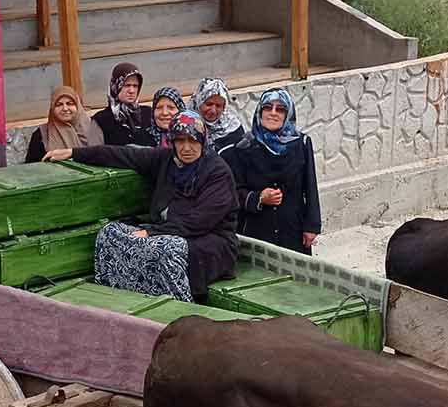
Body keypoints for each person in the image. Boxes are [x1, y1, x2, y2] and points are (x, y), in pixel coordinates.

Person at [45, 113, 238, 302]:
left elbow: (201, 221)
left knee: (167, 249)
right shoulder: (166, 160)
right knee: (109, 233)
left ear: (202, 141)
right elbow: (124, 155)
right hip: (164, 232)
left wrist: (152, 232)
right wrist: (74, 153)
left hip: (209, 242)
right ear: (172, 141)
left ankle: (179, 305)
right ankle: (120, 298)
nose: (186, 147)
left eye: (193, 141)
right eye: (180, 141)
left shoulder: (217, 172)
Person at [228, 88, 321, 253]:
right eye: (267, 107)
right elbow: (234, 192)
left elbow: (310, 187)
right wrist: (259, 198)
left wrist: (311, 226)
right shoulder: (244, 146)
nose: (273, 113)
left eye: (280, 109)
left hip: (293, 230)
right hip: (257, 230)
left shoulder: (302, 143)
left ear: (288, 114)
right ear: (260, 111)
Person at [24, 84, 102, 163]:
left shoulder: (94, 127)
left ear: (78, 106)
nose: (65, 109)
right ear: (52, 109)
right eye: (59, 105)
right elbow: (31, 167)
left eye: (70, 103)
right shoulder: (42, 134)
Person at [91, 62, 149, 147]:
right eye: (126, 85)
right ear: (115, 86)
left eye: (135, 86)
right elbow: (94, 153)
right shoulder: (101, 120)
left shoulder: (148, 114)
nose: (131, 91)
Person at [193, 77, 248, 157]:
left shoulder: (233, 128)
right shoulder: (186, 125)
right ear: (199, 101)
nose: (213, 111)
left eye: (218, 106)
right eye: (209, 104)